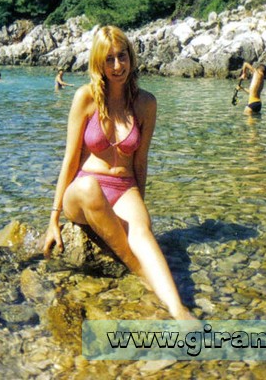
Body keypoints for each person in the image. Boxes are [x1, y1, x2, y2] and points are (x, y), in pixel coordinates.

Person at [43, 26, 195, 320]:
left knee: (142, 231)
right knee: (90, 189)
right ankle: (138, 271)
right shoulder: (85, 98)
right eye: (109, 59)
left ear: (131, 57)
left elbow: (140, 162)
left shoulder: (146, 104)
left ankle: (180, 312)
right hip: (84, 191)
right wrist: (53, 219)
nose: (117, 66)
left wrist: (141, 208)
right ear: (98, 62)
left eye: (122, 56)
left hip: (124, 187)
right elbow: (70, 158)